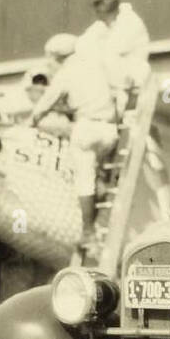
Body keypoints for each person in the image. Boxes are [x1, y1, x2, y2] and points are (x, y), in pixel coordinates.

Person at [28, 40, 120, 250]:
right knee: (101, 176)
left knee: (84, 180)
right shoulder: (97, 65)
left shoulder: (66, 73)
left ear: (58, 57)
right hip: (110, 130)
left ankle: (88, 232)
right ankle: (100, 203)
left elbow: (45, 103)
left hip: (87, 129)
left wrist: (31, 122)